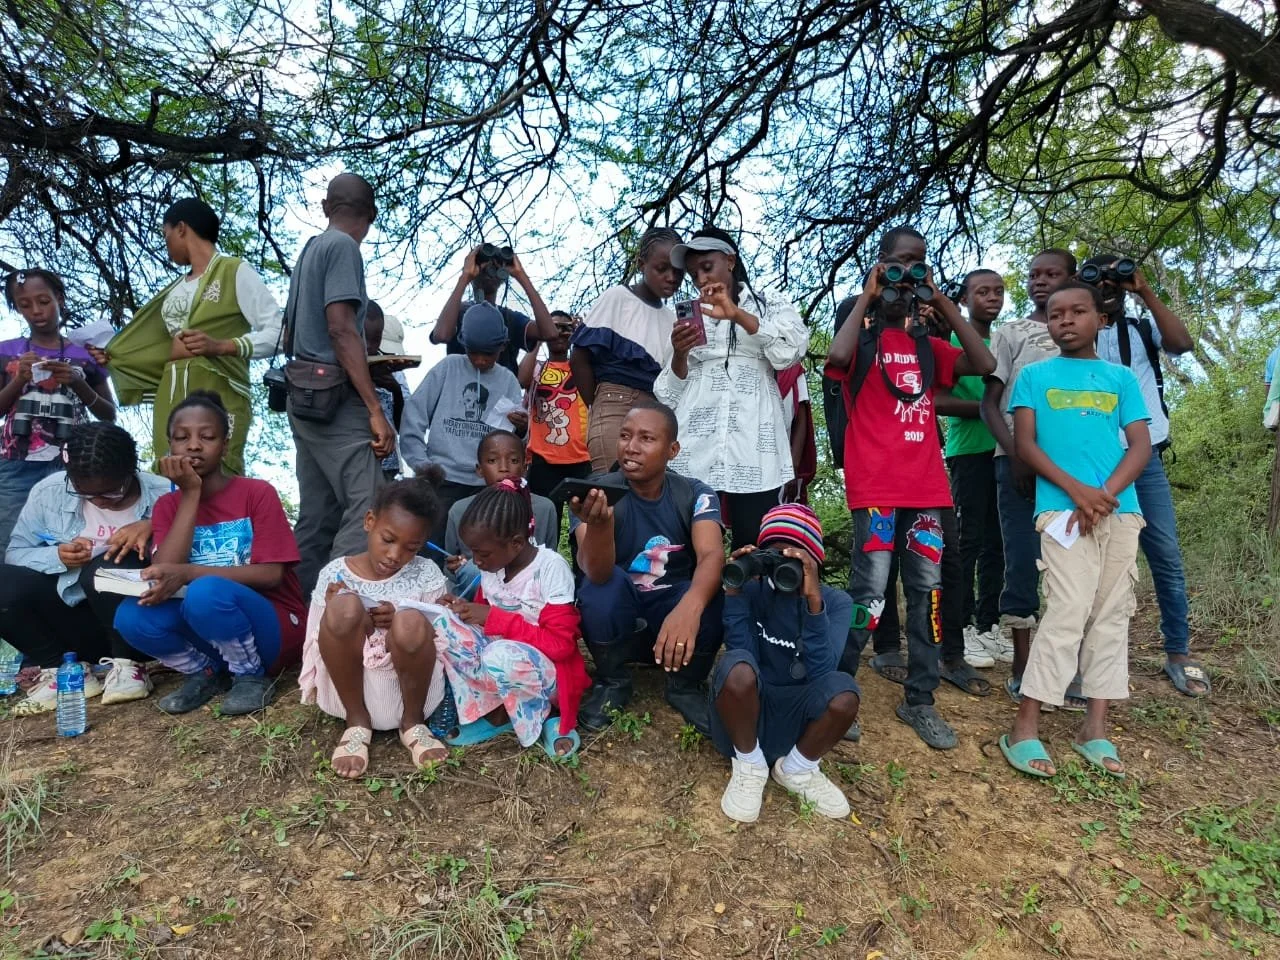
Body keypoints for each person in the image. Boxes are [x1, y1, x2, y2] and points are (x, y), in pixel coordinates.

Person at [825, 234, 995, 749]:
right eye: (896, 266)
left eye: (916, 266)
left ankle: (920, 698)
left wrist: (941, 299)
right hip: (876, 489)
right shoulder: (864, 343)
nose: (907, 275)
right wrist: (868, 296)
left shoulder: (928, 346)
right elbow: (834, 355)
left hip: (926, 491)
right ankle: (839, 691)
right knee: (870, 594)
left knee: (929, 595)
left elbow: (984, 365)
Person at [999, 282, 1151, 779]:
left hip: (1120, 511)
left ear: (1100, 320)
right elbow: (1027, 446)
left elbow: (1140, 447)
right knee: (1066, 609)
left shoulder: (1122, 378)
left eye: (1078, 311)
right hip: (1062, 513)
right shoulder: (1034, 377)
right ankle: (1025, 728)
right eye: (1056, 313)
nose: (1065, 320)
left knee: (1111, 614)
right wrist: (1080, 494)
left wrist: (1104, 495)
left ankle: (1095, 728)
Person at [112, 391, 306, 715]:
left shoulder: (256, 493)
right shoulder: (166, 506)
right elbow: (166, 569)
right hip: (214, 629)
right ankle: (206, 672)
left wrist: (189, 573)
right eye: (181, 437)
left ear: (225, 445)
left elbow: (272, 575)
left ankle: (250, 676)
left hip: (272, 627)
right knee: (131, 616)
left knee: (204, 591)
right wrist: (190, 494)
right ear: (169, 446)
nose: (194, 445)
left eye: (208, 436)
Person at [1087, 255, 1205, 698]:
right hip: (1094, 459)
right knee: (1092, 562)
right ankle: (1088, 656)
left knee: (1165, 556)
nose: (1109, 286)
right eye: (1097, 279)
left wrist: (1145, 291)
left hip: (1147, 455)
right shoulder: (1077, 331)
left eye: (1115, 278)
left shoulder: (1138, 328)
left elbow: (1182, 343)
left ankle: (1179, 652)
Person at [94, 199, 281, 477]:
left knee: (220, 471)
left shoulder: (233, 270)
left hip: (218, 392)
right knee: (168, 471)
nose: (165, 243)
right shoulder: (175, 289)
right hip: (171, 394)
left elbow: (278, 332)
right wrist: (115, 357)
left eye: (166, 234)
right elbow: (157, 347)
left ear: (181, 228)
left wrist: (221, 346)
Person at [572, 403, 725, 734]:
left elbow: (712, 554)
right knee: (599, 589)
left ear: (672, 450)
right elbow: (595, 572)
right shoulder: (594, 493)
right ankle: (613, 680)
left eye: (646, 438)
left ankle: (685, 685)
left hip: (676, 622)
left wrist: (690, 608)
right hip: (621, 621)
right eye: (625, 435)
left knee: (711, 591)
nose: (631, 446)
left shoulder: (695, 494)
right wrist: (599, 525)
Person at [654, 226, 808, 548]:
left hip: (755, 449)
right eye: (693, 273)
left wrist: (738, 315)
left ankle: (748, 595)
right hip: (695, 447)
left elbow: (789, 353)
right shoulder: (687, 315)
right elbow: (667, 394)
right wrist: (680, 354)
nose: (700, 279)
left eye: (706, 267)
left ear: (731, 261)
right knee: (688, 547)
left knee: (753, 549)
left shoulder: (769, 304)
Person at [0, 423, 169, 713]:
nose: (99, 500)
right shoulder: (49, 493)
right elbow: (15, 555)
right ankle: (64, 672)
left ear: (132, 469)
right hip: (78, 623)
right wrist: (56, 557)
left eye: (111, 492)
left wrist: (155, 525)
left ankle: (129, 666)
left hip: (138, 624)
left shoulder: (164, 494)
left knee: (109, 563)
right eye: (84, 492)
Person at [711, 504, 860, 823]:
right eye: (773, 556)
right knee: (735, 665)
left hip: (798, 719)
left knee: (845, 692)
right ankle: (749, 764)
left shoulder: (835, 602)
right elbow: (742, 655)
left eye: (792, 560)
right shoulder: (751, 591)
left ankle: (796, 769)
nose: (782, 569)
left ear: (813, 563)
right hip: (750, 715)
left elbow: (823, 675)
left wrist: (813, 603)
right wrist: (735, 593)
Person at [284, 174, 394, 597]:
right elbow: (341, 328)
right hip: (334, 400)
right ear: (370, 216)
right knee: (370, 502)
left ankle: (298, 617)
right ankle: (342, 611)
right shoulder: (344, 247)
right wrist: (374, 408)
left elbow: (293, 334)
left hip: (303, 394)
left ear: (326, 206)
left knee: (317, 513)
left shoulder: (311, 248)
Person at [299, 479, 452, 779]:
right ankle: (356, 724)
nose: (395, 555)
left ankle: (413, 724)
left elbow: (445, 633)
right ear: (369, 521)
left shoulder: (426, 572)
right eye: (388, 539)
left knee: (409, 620)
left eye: (411, 548)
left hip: (412, 686)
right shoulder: (335, 573)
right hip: (352, 687)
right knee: (344, 607)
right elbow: (313, 640)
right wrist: (337, 613)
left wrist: (402, 615)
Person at [430, 480, 588, 758]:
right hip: (501, 663)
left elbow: (561, 645)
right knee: (442, 624)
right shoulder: (494, 566)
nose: (475, 561)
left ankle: (548, 715)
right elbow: (484, 621)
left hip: (549, 677)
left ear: (516, 543)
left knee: (499, 654)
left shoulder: (550, 569)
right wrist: (462, 610)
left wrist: (495, 617)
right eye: (473, 552)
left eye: (482, 553)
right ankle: (497, 711)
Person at [980, 249, 1073, 705]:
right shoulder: (1012, 333)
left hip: (1073, 470)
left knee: (1070, 565)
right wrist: (1015, 453)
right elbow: (988, 403)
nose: (1040, 281)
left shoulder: (1090, 333)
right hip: (1016, 464)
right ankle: (1022, 665)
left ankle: (1067, 666)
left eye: (1052, 274)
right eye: (1034, 274)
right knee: (1020, 559)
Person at [0, 270, 116, 547]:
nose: (36, 311)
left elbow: (108, 414)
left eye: (44, 301)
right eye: (25, 305)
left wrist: (78, 383)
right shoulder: (7, 351)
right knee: (10, 539)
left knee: (70, 537)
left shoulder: (86, 354)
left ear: (59, 300)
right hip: (17, 463)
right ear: (17, 308)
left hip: (74, 464)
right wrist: (20, 379)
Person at [401, 302, 529, 544]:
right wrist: (422, 465)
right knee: (432, 550)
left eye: (488, 354)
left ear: (502, 347)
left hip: (488, 485)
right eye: (474, 352)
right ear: (462, 343)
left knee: (484, 552)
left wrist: (521, 429)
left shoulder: (508, 380)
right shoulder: (448, 368)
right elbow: (413, 416)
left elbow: (513, 443)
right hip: (442, 481)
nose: (480, 360)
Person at [571, 227, 683, 472]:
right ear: (642, 264)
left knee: (644, 499)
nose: (671, 277)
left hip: (655, 411)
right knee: (613, 492)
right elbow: (579, 358)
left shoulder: (671, 318)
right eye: (662, 269)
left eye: (678, 271)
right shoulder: (618, 297)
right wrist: (598, 404)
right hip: (613, 405)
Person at [943, 269, 1006, 669]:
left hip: (1006, 451)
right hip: (968, 450)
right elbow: (940, 400)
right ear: (964, 299)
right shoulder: (954, 340)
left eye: (998, 291)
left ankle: (989, 624)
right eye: (982, 291)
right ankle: (961, 625)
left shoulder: (1006, 340)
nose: (992, 297)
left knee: (1000, 542)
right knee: (969, 538)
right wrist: (991, 410)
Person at [442, 430, 558, 592]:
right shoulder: (460, 510)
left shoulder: (545, 508)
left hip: (530, 591)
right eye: (492, 460)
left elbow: (550, 558)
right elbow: (450, 565)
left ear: (525, 467)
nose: (504, 468)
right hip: (478, 588)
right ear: (479, 469)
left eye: (513, 460)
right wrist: (454, 567)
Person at [429, 243, 557, 374]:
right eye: (484, 267)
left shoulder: (510, 318)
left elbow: (550, 333)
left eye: (495, 268)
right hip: (460, 390)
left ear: (503, 275)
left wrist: (520, 274)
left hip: (503, 392)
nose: (489, 272)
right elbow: (441, 335)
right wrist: (465, 277)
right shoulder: (459, 312)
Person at [519, 311, 590, 530]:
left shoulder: (582, 366)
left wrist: (583, 334)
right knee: (542, 526)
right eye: (554, 327)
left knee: (585, 524)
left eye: (566, 328)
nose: (560, 333)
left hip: (582, 457)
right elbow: (522, 378)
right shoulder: (538, 368)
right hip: (543, 460)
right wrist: (540, 334)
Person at [365, 300, 405, 482]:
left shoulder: (393, 371)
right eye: (368, 339)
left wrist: (395, 390)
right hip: (361, 461)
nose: (372, 347)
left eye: (377, 340)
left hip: (388, 464)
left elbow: (402, 424)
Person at [777, 363, 816, 504]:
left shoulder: (793, 369)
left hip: (783, 466)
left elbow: (801, 421)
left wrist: (792, 468)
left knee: (781, 522)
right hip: (747, 461)